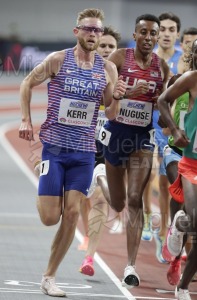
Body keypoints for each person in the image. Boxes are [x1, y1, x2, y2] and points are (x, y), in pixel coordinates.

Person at [19, 8, 127, 297]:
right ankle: (46, 187)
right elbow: (26, 83)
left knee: (73, 214)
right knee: (49, 218)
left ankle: (49, 276)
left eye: (97, 30)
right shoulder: (58, 60)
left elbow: (112, 113)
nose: (93, 34)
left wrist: (115, 98)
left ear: (101, 34)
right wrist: (26, 119)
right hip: (54, 148)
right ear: (76, 31)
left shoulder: (108, 69)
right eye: (88, 29)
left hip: (83, 152)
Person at [98, 14, 169, 288]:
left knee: (135, 198)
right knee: (117, 204)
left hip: (141, 138)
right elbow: (104, 101)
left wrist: (164, 114)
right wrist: (127, 93)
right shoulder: (118, 58)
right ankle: (100, 175)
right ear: (135, 34)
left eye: (153, 33)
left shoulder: (161, 67)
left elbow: (166, 109)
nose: (149, 37)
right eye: (144, 32)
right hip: (117, 134)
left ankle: (130, 265)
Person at [79, 26, 123, 276]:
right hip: (81, 142)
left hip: (109, 145)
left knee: (99, 200)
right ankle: (87, 234)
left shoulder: (120, 76)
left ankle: (90, 257)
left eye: (111, 47)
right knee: (81, 198)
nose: (106, 50)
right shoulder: (82, 70)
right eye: (102, 45)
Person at [158, 40, 197, 300]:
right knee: (194, 219)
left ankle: (182, 286)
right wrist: (174, 129)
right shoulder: (192, 79)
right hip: (191, 164)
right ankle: (179, 225)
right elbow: (162, 101)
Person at [150, 12, 182, 263]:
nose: (167, 33)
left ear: (177, 34)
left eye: (172, 29)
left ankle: (167, 229)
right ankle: (158, 226)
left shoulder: (184, 60)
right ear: (156, 32)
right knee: (147, 176)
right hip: (142, 120)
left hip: (166, 124)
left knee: (166, 175)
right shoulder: (148, 57)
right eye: (163, 29)